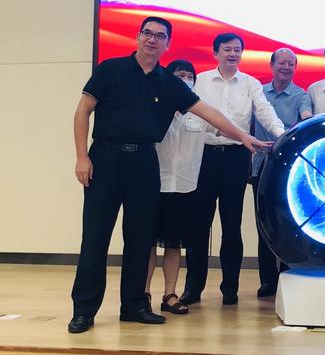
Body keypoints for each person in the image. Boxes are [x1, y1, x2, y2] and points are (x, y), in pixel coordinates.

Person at [69, 17, 268, 334]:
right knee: (95, 237)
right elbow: (83, 110)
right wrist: (82, 156)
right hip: (105, 159)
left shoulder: (170, 83)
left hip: (145, 162)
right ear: (138, 37)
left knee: (140, 239)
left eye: (159, 36)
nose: (152, 39)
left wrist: (243, 137)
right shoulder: (111, 69)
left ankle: (134, 306)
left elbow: (210, 114)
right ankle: (83, 310)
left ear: (168, 43)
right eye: (147, 33)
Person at [181, 33, 285, 307]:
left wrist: (282, 135)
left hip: (236, 158)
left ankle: (230, 288)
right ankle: (193, 288)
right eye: (227, 49)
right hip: (203, 156)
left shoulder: (250, 83)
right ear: (215, 52)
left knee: (232, 225)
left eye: (237, 50)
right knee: (198, 225)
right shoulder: (200, 80)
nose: (233, 54)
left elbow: (265, 112)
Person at [251, 48, 312, 298]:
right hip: (261, 165)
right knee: (263, 223)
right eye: (282, 63)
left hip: (290, 168)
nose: (286, 67)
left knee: (290, 223)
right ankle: (267, 280)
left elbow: (307, 119)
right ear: (272, 65)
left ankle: (289, 275)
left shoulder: (301, 95)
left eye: (291, 64)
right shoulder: (258, 93)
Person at [145, 59, 204, 316]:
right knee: (146, 242)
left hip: (184, 186)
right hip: (154, 184)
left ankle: (170, 294)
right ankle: (143, 292)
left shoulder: (200, 113)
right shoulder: (154, 106)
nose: (185, 80)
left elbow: (220, 132)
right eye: (180, 75)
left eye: (190, 76)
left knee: (174, 244)